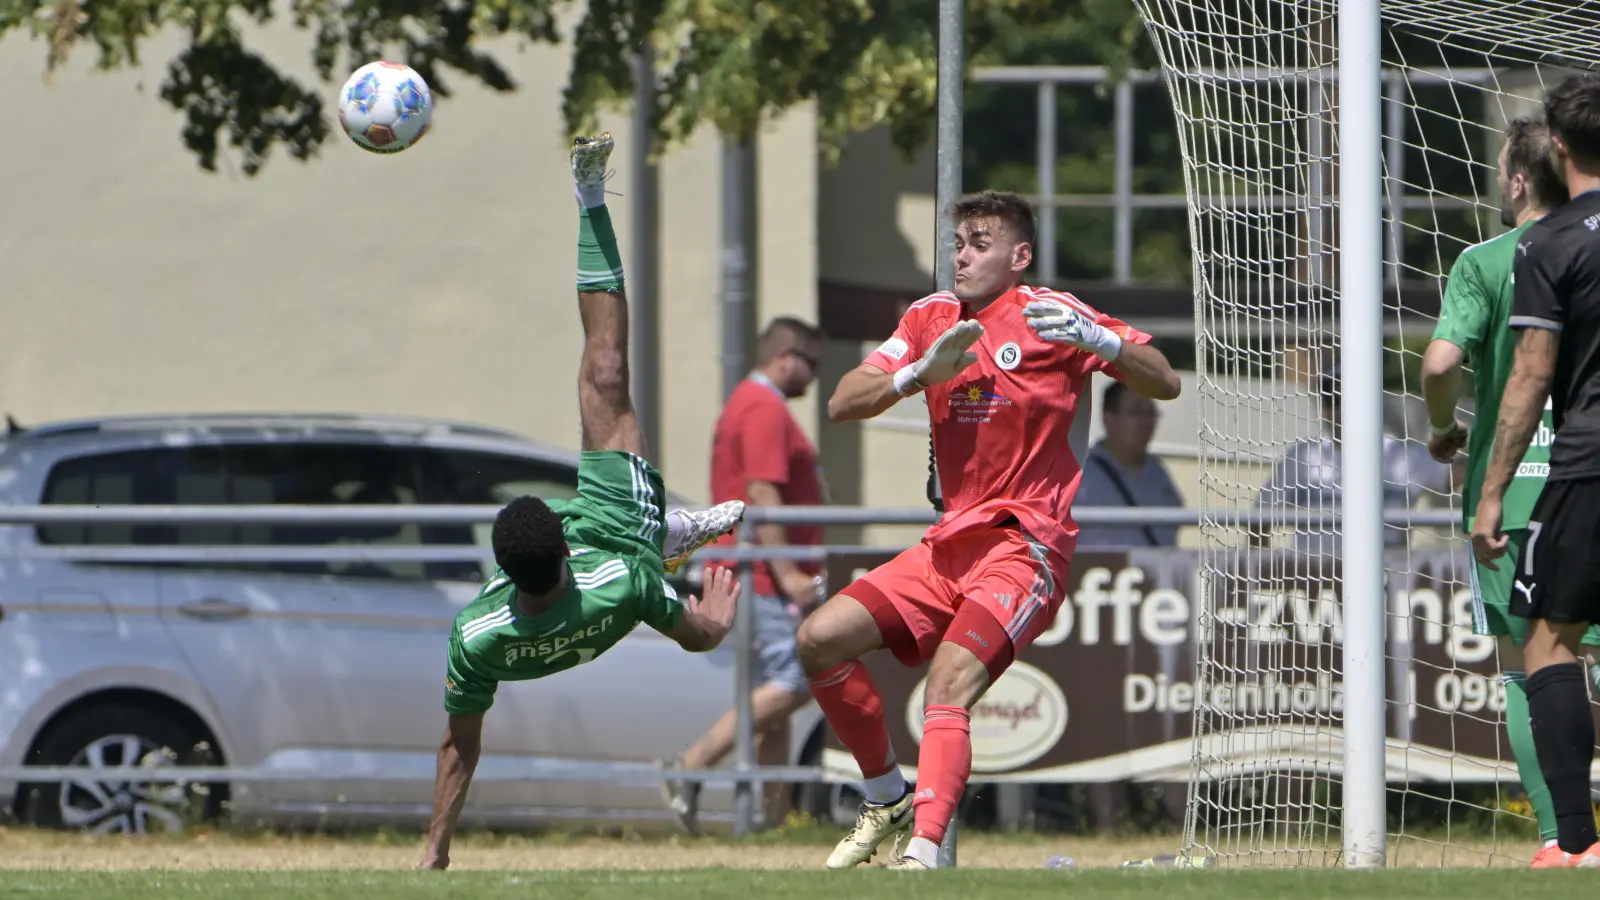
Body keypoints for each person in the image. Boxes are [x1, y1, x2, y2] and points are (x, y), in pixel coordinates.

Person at [807, 189, 1182, 869]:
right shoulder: (929, 318)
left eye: (980, 243)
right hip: (948, 545)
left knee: (948, 685)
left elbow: (1164, 381)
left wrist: (1102, 341)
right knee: (820, 641)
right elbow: (841, 402)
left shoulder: (1052, 314)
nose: (962, 255)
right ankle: (884, 793)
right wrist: (918, 374)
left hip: (1025, 545)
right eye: (957, 242)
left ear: (1020, 256)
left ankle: (921, 858)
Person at [416, 134, 747, 870]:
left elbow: (454, 746)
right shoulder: (506, 630)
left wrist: (434, 851)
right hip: (624, 545)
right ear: (555, 548)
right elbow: (693, 634)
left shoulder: (475, 633)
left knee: (607, 369)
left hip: (610, 532)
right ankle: (660, 533)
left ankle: (589, 195)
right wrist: (715, 625)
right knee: (607, 377)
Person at [1421, 115, 1600, 868]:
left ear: (1522, 177)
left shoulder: (1494, 259)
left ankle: (1564, 835)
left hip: (1531, 482)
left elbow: (1438, 364)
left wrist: (1442, 432)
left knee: (1531, 666)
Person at [1472, 72, 1600, 869]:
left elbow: (1530, 375)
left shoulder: (1547, 244)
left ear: (1556, 145)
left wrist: (1491, 493)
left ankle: (1575, 844)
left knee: (1549, 644)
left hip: (1587, 464)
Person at [661, 316, 829, 834]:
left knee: (771, 703)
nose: (814, 376)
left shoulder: (751, 404)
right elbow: (761, 493)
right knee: (796, 680)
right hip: (761, 575)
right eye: (812, 363)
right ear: (784, 356)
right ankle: (691, 766)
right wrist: (792, 576)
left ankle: (771, 822)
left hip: (749, 571)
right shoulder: (762, 407)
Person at [1254, 369, 1450, 554]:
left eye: (1340, 399)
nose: (1333, 410)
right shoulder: (1303, 457)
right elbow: (1260, 515)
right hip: (1314, 578)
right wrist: (1258, 569)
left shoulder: (1400, 456)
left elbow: (1457, 475)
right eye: (1328, 400)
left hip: (1387, 576)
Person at [1074, 380, 1184, 549]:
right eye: (1136, 412)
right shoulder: (1078, 474)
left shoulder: (1158, 473)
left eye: (1151, 413)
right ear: (1108, 417)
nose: (1146, 422)